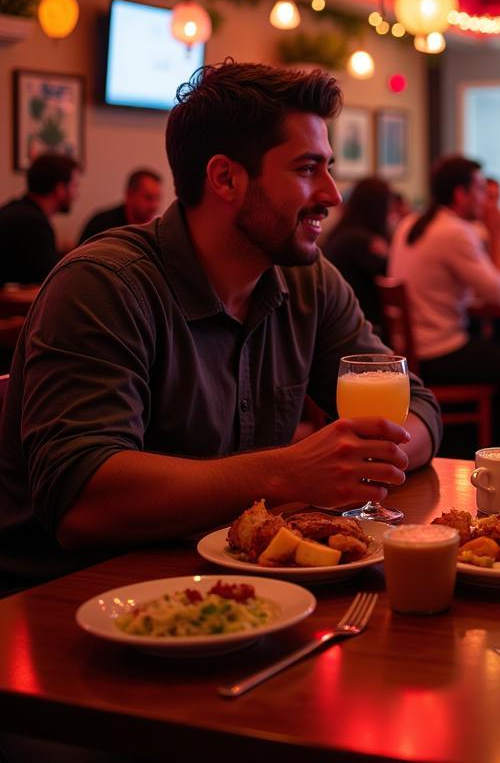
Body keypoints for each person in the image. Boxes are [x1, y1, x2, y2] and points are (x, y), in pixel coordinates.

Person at [0, 62, 440, 593]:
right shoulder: (104, 285)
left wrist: (374, 454)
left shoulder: (307, 281)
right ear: (226, 178)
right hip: (72, 598)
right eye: (306, 169)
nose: (331, 194)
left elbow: (419, 406)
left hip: (233, 587)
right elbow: (81, 499)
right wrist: (288, 472)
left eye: (328, 168)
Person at [389, 155, 500, 446]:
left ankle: (475, 438)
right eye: (479, 189)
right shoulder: (454, 231)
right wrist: (499, 235)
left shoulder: (410, 224)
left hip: (409, 352)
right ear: (460, 194)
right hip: (439, 353)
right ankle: (497, 446)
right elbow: (497, 293)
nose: (484, 198)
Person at [322, 176, 393, 331]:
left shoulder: (342, 233)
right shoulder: (363, 242)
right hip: (359, 327)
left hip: (335, 322)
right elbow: (392, 274)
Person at [0, 153, 79, 285]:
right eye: (75, 186)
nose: (77, 194)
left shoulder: (14, 212)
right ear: (60, 189)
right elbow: (49, 283)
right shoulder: (33, 225)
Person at [78, 168, 163, 244]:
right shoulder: (101, 225)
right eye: (148, 198)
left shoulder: (158, 232)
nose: (154, 206)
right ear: (129, 195)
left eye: (157, 198)